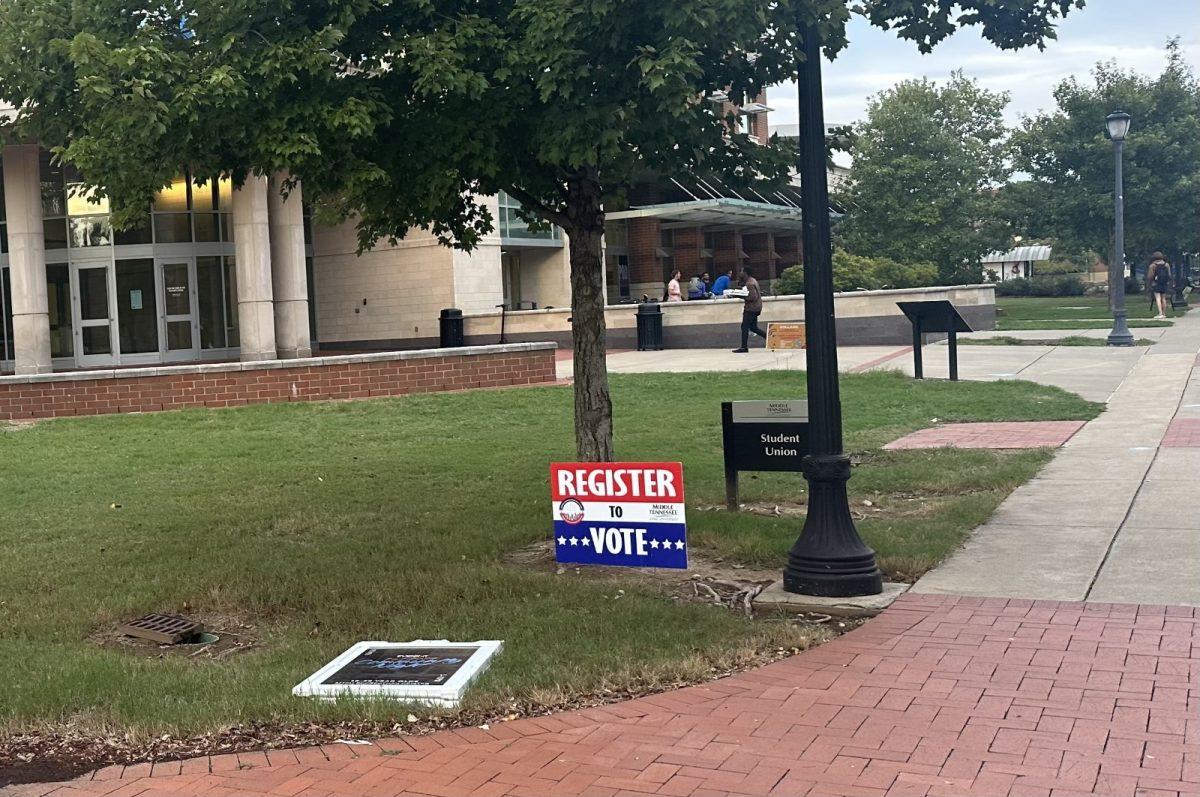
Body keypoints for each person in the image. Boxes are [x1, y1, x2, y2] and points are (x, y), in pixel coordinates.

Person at [732, 266, 766, 353]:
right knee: (754, 328)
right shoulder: (752, 280)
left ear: (745, 273)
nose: (740, 273)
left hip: (751, 308)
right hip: (756, 307)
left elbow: (752, 297)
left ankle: (744, 347)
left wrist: (737, 295)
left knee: (744, 327)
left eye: (741, 271)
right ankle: (770, 338)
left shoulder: (749, 283)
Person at [1147, 252, 1172, 319]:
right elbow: (1169, 275)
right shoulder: (1166, 264)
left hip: (1156, 283)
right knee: (1163, 298)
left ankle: (1160, 313)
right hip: (1164, 283)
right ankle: (1164, 313)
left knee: (1158, 298)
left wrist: (1150, 283)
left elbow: (1150, 276)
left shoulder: (1152, 265)